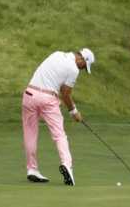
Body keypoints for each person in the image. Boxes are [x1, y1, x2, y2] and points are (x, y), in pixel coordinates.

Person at [22, 48, 96, 185]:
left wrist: (55, 95)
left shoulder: (56, 54)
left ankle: (32, 169)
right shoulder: (74, 69)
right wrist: (74, 112)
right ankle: (67, 165)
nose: (82, 70)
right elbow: (66, 94)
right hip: (47, 100)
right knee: (59, 135)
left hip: (29, 94)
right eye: (84, 67)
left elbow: (52, 79)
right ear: (82, 59)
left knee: (30, 134)